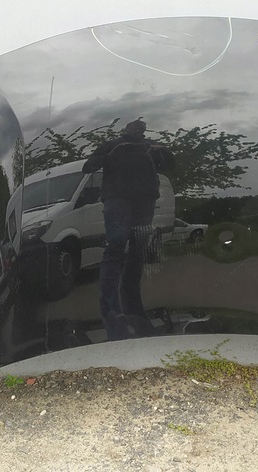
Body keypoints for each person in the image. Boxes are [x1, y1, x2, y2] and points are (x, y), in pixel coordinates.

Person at [82, 118, 173, 340]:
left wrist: (160, 152)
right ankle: (110, 306)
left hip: (145, 198)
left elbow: (169, 166)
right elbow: (88, 166)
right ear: (127, 128)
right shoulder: (113, 145)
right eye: (135, 126)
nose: (139, 129)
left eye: (142, 126)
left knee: (139, 246)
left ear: (145, 130)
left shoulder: (150, 145)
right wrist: (111, 155)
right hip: (117, 198)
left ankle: (131, 297)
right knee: (117, 242)